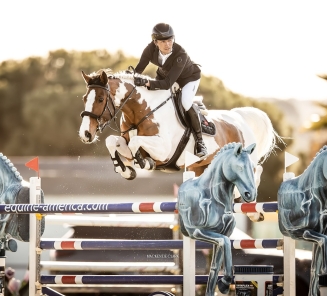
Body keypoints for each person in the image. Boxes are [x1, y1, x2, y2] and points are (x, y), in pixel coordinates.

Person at [133, 23, 208, 158]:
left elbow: (167, 84)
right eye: (163, 41)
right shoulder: (150, 49)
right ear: (155, 42)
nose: (168, 44)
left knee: (185, 102)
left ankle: (200, 142)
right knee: (153, 98)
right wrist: (131, 77)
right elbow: (138, 70)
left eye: (170, 40)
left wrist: (147, 82)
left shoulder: (181, 54)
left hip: (188, 79)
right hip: (166, 75)